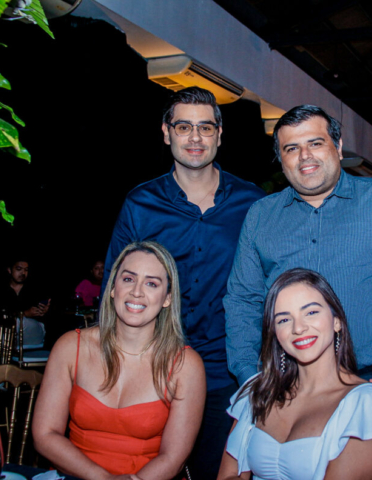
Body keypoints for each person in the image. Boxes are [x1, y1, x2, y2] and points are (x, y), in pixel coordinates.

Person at [224, 105, 372, 413]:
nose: (305, 156)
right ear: (281, 158)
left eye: (315, 143)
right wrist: (248, 376)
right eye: (292, 148)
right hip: (285, 390)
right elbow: (243, 299)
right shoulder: (261, 216)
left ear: (338, 146)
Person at [102, 87, 265, 479]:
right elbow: (114, 289)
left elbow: (274, 284)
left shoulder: (253, 203)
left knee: (217, 471)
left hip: (227, 370)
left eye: (205, 127)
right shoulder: (140, 204)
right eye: (184, 127)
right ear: (166, 133)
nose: (195, 137)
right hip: (154, 365)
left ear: (219, 135)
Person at [218, 269, 372, 480]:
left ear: (336, 321)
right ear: (275, 334)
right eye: (284, 320)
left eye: (311, 312)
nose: (298, 328)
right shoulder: (258, 390)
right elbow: (228, 475)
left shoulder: (366, 406)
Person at [33, 241, 206, 480]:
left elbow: (173, 458)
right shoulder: (70, 347)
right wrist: (103, 478)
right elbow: (45, 435)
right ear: (113, 288)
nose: (137, 291)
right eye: (128, 279)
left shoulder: (185, 365)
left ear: (167, 298)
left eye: (151, 283)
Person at [0, 257, 50, 356]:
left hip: (33, 333)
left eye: (26, 270)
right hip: (10, 335)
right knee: (13, 322)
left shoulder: (34, 289)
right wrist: (24, 313)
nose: (23, 273)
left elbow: (46, 314)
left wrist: (44, 311)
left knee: (19, 321)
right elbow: (0, 315)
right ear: (9, 270)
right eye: (19, 269)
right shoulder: (1, 291)